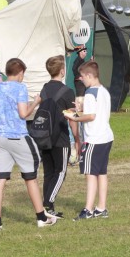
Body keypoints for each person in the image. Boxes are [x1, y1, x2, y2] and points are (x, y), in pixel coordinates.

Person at [0, 57, 56, 231]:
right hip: (18, 137)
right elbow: (23, 114)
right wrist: (36, 103)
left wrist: (3, 116)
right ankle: (41, 217)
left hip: (0, 139)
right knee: (30, 176)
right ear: (21, 72)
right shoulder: (20, 88)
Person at [63, 60, 114, 221]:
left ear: (90, 76)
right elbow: (96, 111)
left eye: (83, 77)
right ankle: (101, 207)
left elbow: (91, 116)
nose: (82, 80)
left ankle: (88, 209)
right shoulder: (103, 91)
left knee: (90, 174)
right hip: (106, 137)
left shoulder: (90, 92)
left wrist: (73, 116)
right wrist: (79, 110)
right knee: (101, 173)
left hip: (94, 139)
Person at [38, 55, 79, 219]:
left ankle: (49, 206)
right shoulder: (68, 92)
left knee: (48, 173)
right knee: (60, 172)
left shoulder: (44, 88)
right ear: (62, 71)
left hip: (44, 136)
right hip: (60, 138)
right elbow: (72, 119)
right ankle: (47, 203)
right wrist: (77, 138)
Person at [72, 45, 88, 113]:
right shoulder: (78, 60)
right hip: (79, 82)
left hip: (82, 82)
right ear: (80, 52)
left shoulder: (82, 60)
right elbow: (74, 68)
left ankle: (81, 110)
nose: (86, 52)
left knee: (82, 97)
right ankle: (78, 111)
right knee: (80, 97)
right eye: (84, 51)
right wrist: (79, 77)